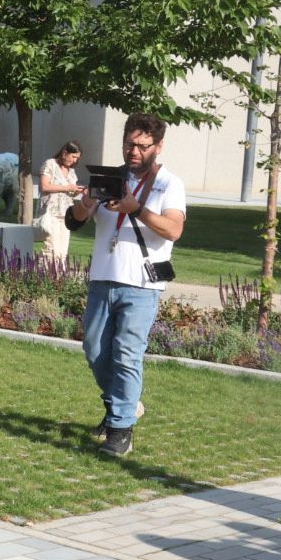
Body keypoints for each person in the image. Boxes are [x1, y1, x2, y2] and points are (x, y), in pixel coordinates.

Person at [65, 114, 186, 459]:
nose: (133, 151)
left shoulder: (168, 183)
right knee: (93, 349)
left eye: (141, 145)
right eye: (128, 144)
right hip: (103, 277)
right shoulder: (108, 178)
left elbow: (173, 230)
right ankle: (127, 404)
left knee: (127, 355)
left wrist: (139, 209)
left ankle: (120, 429)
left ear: (158, 147)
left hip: (141, 284)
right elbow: (74, 222)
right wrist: (85, 205)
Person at [38, 140, 85, 262]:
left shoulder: (71, 171)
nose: (75, 160)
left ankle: (59, 279)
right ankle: (47, 277)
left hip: (66, 215)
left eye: (77, 158)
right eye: (73, 156)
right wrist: (68, 187)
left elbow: (69, 193)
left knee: (63, 253)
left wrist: (77, 191)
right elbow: (45, 187)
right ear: (65, 153)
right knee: (51, 251)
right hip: (51, 214)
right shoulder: (50, 164)